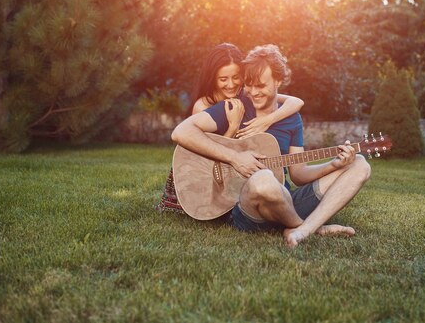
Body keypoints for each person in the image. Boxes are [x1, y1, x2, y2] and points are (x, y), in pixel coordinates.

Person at [171, 45, 371, 247]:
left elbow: (298, 174)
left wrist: (334, 165)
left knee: (360, 164)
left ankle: (300, 230)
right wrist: (236, 157)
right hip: (249, 208)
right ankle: (310, 227)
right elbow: (181, 132)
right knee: (263, 181)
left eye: (261, 85)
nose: (253, 92)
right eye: (249, 85)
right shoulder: (234, 107)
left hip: (285, 199)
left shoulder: (292, 119)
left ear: (278, 81)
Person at [155, 43, 304, 213]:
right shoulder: (204, 106)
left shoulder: (247, 94)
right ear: (214, 79)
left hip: (232, 170)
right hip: (205, 173)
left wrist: (268, 120)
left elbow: (295, 102)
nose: (231, 85)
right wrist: (232, 127)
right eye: (223, 79)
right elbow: (210, 156)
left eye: (236, 77)